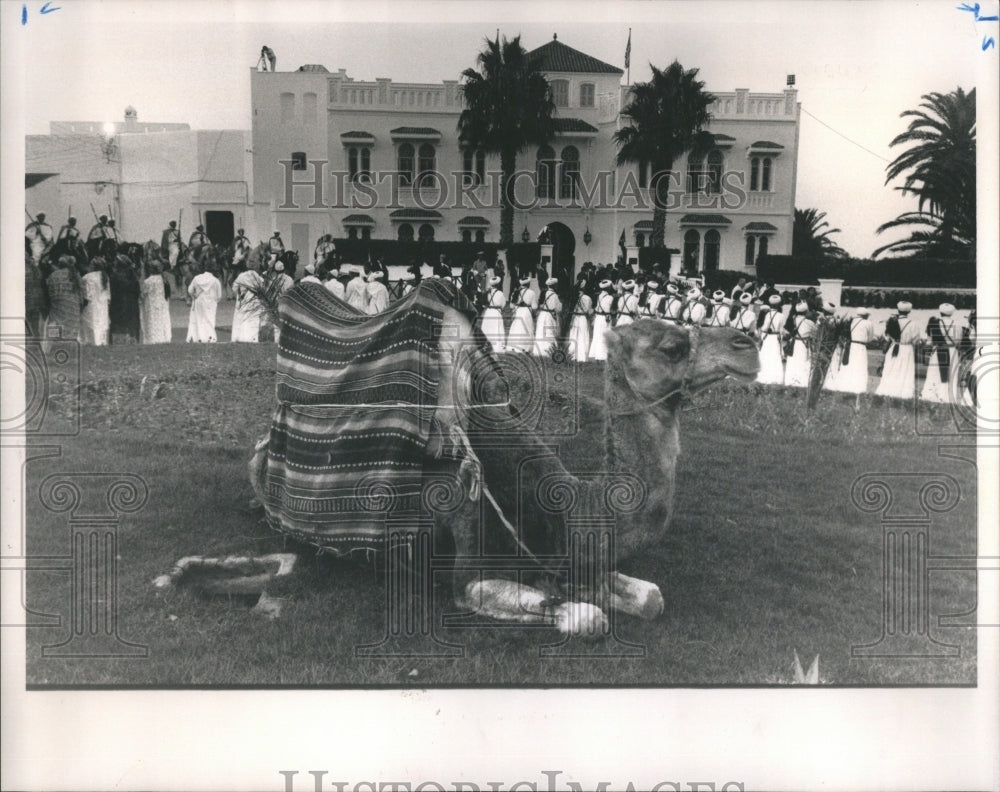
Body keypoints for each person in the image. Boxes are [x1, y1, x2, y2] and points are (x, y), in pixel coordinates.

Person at [876, 301, 920, 399]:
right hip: (907, 349)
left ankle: (888, 390)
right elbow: (916, 341)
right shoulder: (913, 324)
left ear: (898, 309)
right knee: (905, 370)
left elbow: (887, 336)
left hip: (894, 347)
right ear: (909, 311)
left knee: (891, 369)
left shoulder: (891, 321)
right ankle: (903, 393)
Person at [921, 302, 962, 403]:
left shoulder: (934, 323)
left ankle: (932, 396)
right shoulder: (958, 324)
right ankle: (948, 397)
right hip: (952, 352)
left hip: (938, 350)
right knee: (951, 374)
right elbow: (959, 341)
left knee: (935, 374)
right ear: (952, 313)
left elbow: (929, 341)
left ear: (940, 312)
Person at [830, 307, 875, 399]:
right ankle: (857, 389)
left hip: (850, 346)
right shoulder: (868, 323)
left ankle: (844, 388)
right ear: (865, 315)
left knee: (848, 367)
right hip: (861, 347)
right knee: (859, 367)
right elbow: (870, 338)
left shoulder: (850, 321)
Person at [43, 256, 83, 351]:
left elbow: (49, 291)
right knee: (71, 324)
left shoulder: (53, 275)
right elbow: (81, 292)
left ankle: (54, 345)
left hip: (58, 305)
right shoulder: (75, 275)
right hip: (73, 305)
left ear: (59, 264)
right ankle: (69, 346)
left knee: (55, 322)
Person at [107, 256, 141, 344]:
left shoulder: (115, 276)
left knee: (118, 324)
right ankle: (132, 339)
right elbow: (137, 292)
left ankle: (118, 341)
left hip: (118, 304)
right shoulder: (133, 276)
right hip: (132, 304)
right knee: (131, 324)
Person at [186, 262, 222, 343]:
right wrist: (215, 301)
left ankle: (198, 337)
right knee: (210, 319)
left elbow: (190, 290)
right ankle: (210, 337)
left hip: (199, 300)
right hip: (211, 302)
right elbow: (219, 296)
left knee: (199, 319)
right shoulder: (216, 281)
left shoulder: (197, 278)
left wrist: (194, 296)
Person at [783, 301, 815, 387]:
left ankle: (791, 381)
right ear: (806, 312)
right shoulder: (810, 323)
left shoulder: (792, 321)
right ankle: (802, 382)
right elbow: (814, 334)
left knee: (793, 362)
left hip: (794, 343)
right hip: (804, 344)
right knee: (803, 361)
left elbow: (786, 332)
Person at [139, 261, 173, 344]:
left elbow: (143, 294)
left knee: (152, 322)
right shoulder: (164, 280)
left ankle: (153, 339)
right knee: (163, 321)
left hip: (151, 305)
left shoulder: (148, 281)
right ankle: (164, 338)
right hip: (163, 304)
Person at [79, 258, 111, 346]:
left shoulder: (87, 277)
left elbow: (87, 293)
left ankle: (90, 341)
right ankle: (101, 341)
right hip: (103, 304)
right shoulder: (105, 276)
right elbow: (107, 294)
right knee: (101, 322)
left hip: (92, 304)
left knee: (90, 322)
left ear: (93, 266)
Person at [231, 262, 264, 343]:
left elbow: (234, 288)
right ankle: (253, 339)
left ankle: (241, 338)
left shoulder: (241, 276)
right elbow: (263, 289)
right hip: (255, 301)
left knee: (242, 320)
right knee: (253, 321)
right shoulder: (258, 277)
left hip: (244, 301)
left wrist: (239, 294)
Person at [756, 294, 786, 385]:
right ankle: (775, 377)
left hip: (767, 338)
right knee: (775, 356)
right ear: (778, 305)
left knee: (765, 355)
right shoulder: (781, 316)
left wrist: (762, 332)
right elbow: (782, 330)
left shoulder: (767, 314)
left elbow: (764, 327)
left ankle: (764, 376)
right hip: (775, 338)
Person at [506, 276, 537, 353]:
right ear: (528, 284)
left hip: (518, 311)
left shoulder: (515, 292)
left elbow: (511, 306)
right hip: (527, 312)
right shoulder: (531, 293)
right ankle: (525, 347)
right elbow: (534, 306)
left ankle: (515, 346)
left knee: (517, 327)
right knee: (527, 328)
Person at [532, 277, 561, 358]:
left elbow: (540, 304)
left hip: (542, 314)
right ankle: (548, 350)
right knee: (549, 332)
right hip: (549, 315)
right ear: (554, 286)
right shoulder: (555, 296)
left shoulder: (543, 293)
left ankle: (539, 350)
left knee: (541, 331)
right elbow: (558, 308)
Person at [588, 279, 615, 361]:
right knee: (605, 335)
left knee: (597, 335)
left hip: (598, 317)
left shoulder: (599, 296)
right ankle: (603, 355)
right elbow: (610, 309)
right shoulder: (610, 297)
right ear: (608, 288)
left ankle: (597, 354)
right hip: (605, 318)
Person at [568, 278, 593, 363]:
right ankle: (582, 356)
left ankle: (572, 355)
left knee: (574, 335)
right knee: (583, 336)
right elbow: (589, 312)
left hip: (575, 318)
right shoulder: (587, 298)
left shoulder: (574, 297)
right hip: (582, 318)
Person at [480, 276, 507, 352]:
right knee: (496, 329)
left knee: (487, 328)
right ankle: (496, 346)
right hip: (496, 312)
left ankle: (486, 345)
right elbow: (503, 304)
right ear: (498, 284)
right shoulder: (500, 293)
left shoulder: (487, 293)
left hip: (488, 311)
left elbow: (483, 304)